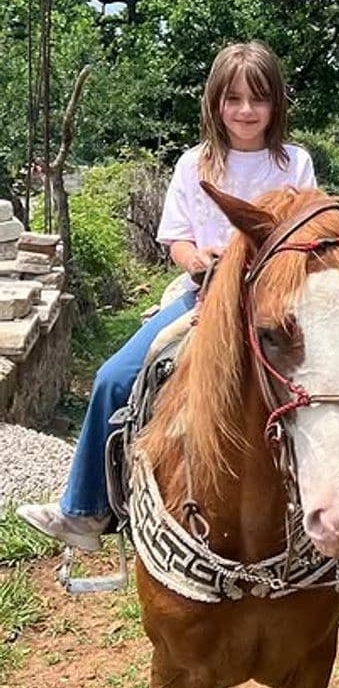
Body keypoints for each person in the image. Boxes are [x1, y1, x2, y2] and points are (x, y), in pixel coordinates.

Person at [18, 41, 316, 552]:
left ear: (276, 105)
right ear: (215, 102)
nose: (246, 111)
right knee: (114, 377)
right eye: (234, 99)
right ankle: (85, 510)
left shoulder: (294, 164)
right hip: (202, 299)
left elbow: (306, 234)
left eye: (258, 99)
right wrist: (199, 260)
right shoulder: (193, 165)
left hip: (275, 304)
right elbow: (176, 238)